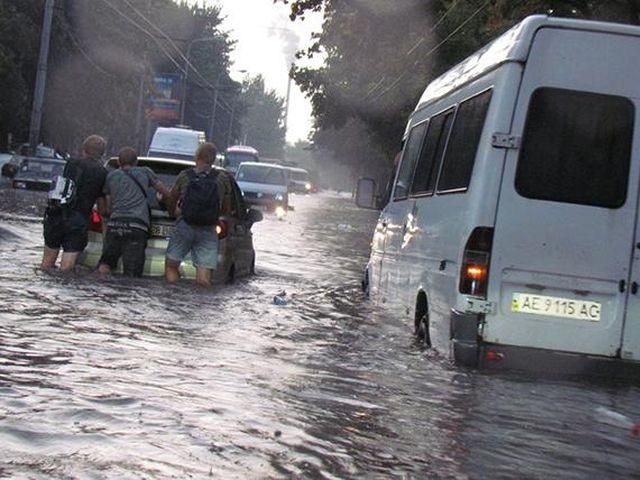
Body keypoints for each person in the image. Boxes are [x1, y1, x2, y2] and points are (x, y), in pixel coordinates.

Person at [164, 142, 232, 287]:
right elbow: (226, 208)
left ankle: (174, 296)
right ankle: (200, 303)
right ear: (213, 159)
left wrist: (172, 213)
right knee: (203, 277)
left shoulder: (184, 176)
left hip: (184, 226)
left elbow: (171, 198)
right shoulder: (222, 178)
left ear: (197, 156)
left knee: (171, 266)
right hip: (208, 229)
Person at [97, 147, 170, 277]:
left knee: (105, 263)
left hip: (115, 225)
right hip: (137, 226)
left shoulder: (111, 176)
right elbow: (165, 192)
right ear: (136, 162)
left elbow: (108, 207)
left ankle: (101, 287)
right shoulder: (145, 172)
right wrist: (162, 202)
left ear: (119, 162)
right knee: (132, 274)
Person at [41, 135, 108, 271]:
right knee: (67, 267)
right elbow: (102, 207)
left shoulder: (71, 163)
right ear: (102, 153)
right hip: (78, 220)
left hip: (56, 214)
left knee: (46, 264)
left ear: (84, 149)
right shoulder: (102, 172)